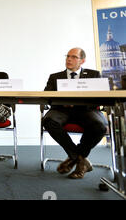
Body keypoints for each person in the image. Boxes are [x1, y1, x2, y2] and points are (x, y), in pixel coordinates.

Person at [42, 47, 108, 179]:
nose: (69, 59)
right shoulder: (55, 77)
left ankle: (76, 158)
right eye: (67, 56)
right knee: (48, 120)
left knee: (100, 126)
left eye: (73, 57)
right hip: (62, 110)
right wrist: (62, 102)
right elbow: (47, 97)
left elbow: (100, 98)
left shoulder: (94, 75)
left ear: (82, 61)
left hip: (86, 110)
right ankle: (79, 159)